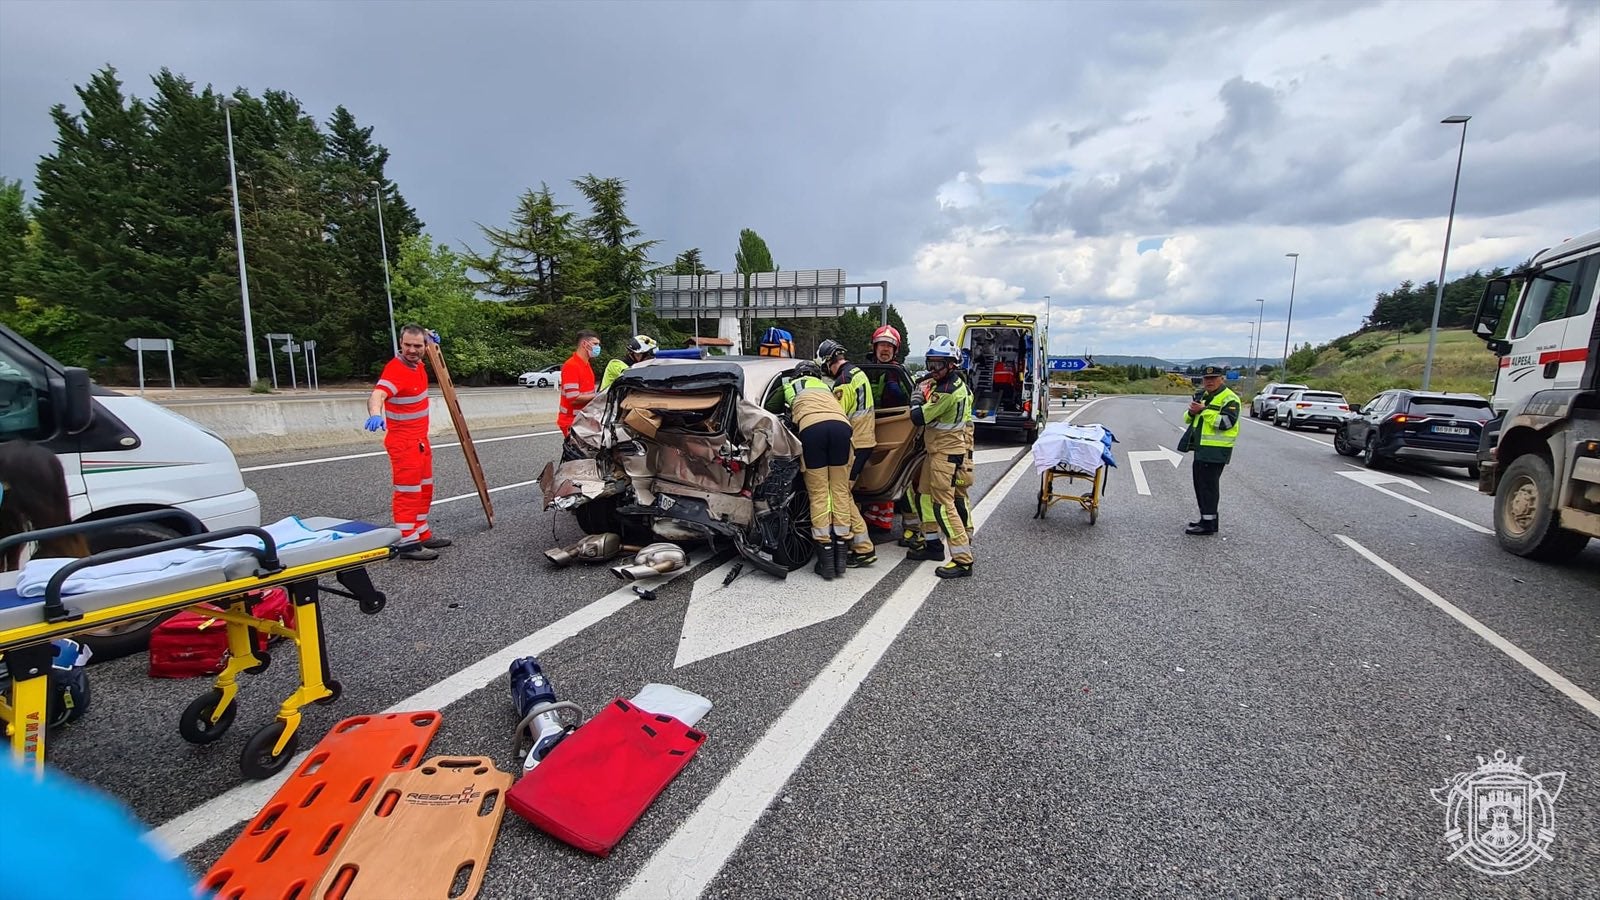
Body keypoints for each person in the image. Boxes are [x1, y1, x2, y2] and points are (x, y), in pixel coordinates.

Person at [365, 324, 449, 561]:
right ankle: (408, 543)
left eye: (418, 345)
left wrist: (430, 336)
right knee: (408, 492)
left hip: (420, 441)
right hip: (404, 443)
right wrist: (375, 413)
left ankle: (421, 532)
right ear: (400, 344)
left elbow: (423, 333)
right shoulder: (396, 370)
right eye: (407, 345)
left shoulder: (418, 363)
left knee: (424, 489)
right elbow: (378, 394)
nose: (412, 350)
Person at [780, 362, 854, 580]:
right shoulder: (826, 386)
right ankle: (841, 557)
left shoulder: (791, 386)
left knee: (820, 491)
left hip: (813, 429)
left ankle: (826, 560)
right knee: (839, 490)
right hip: (842, 428)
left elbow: (776, 412)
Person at [908, 336, 974, 578]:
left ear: (951, 365)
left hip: (945, 455)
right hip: (937, 452)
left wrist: (916, 398)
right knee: (924, 495)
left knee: (944, 505)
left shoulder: (947, 393)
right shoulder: (952, 383)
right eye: (929, 364)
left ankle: (962, 559)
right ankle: (933, 544)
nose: (932, 370)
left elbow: (918, 417)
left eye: (937, 365)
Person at [817, 339, 876, 567]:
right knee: (847, 493)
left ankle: (863, 548)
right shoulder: (858, 372)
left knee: (842, 495)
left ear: (830, 361)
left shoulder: (843, 382)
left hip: (854, 444)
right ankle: (856, 542)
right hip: (865, 439)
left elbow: (835, 416)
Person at [1181, 365, 1241, 535]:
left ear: (1221, 379)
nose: (1209, 382)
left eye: (1214, 378)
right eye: (1207, 379)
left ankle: (1207, 526)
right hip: (1202, 449)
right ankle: (1207, 520)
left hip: (1215, 450)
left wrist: (1204, 410)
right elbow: (1187, 419)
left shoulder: (1229, 398)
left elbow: (1226, 423)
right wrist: (1192, 411)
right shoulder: (1203, 396)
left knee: (1208, 487)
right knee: (1201, 486)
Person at [558, 330, 602, 436]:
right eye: (595, 344)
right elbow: (573, 398)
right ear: (584, 344)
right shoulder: (571, 366)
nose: (598, 347)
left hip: (583, 419)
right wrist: (599, 396)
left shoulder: (586, 365)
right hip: (572, 422)